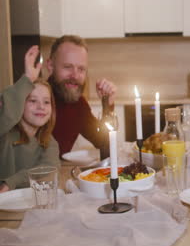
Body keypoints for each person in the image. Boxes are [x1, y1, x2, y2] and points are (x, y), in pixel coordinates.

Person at [0, 46, 60, 193]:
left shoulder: (48, 141)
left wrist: (11, 182)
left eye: (46, 102)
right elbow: (7, 113)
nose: (41, 107)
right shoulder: (5, 133)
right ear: (20, 103)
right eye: (32, 101)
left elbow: (48, 167)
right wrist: (27, 79)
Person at [45, 35, 117, 159]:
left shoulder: (78, 104)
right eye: (67, 67)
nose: (75, 75)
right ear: (50, 66)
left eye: (81, 69)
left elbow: (103, 142)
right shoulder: (36, 102)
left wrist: (107, 106)